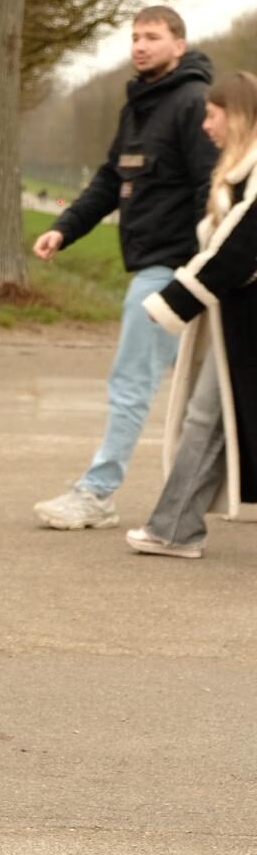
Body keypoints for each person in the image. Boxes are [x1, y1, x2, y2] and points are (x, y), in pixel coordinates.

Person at [32, 6, 217, 530]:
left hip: (176, 273)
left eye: (152, 37)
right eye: (135, 37)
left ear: (179, 45)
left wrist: (201, 269)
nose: (140, 45)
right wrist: (64, 228)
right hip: (164, 270)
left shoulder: (192, 102)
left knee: (132, 381)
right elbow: (110, 180)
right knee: (210, 394)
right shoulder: (138, 106)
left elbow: (211, 187)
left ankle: (97, 493)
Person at [126, 72, 257, 557]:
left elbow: (239, 249)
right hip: (237, 323)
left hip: (244, 324)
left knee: (207, 418)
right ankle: (175, 526)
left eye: (213, 113)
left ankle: (174, 527)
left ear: (236, 114)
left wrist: (173, 302)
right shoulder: (241, 171)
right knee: (209, 418)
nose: (205, 125)